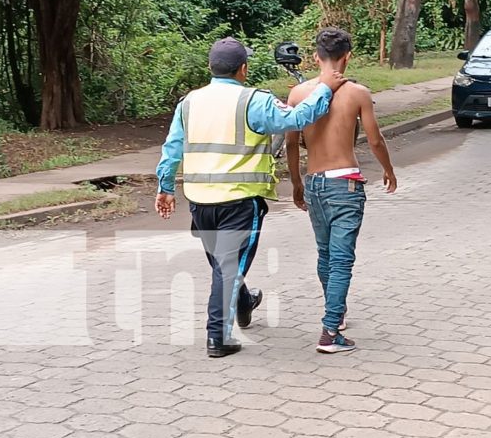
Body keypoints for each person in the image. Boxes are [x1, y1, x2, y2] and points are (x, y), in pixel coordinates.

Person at [155, 37, 347, 358]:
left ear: (210, 68)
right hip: (240, 202)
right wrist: (325, 87)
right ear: (243, 69)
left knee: (222, 264)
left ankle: (244, 302)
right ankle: (218, 338)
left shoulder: (189, 102)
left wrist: (165, 188)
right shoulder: (254, 101)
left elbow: (172, 148)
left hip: (200, 202)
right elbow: (297, 120)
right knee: (228, 268)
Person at [286, 28, 397, 353]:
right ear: (347, 56)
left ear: (316, 57)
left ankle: (336, 312)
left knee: (326, 254)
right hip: (345, 183)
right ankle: (331, 330)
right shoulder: (358, 93)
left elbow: (292, 144)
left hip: (315, 182)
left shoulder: (297, 94)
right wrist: (388, 170)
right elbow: (375, 140)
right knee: (342, 259)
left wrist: (296, 182)